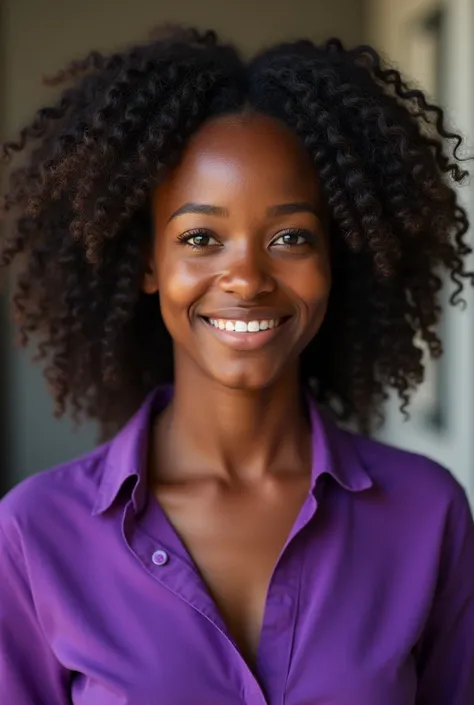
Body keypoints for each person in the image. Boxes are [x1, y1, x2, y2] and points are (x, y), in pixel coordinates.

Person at [0, 24, 473, 705]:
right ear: (147, 263)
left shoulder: (428, 515)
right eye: (201, 237)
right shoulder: (35, 534)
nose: (247, 277)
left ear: (333, 258)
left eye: (290, 237)